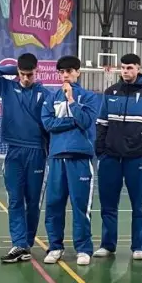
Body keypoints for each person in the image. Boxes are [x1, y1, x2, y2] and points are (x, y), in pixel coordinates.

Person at [0, 53, 49, 263]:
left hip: (37, 152)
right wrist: (13, 70)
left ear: (36, 71)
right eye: (22, 74)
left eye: (30, 74)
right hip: (14, 152)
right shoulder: (8, 87)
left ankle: (27, 242)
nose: (26, 78)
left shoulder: (45, 94)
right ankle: (18, 243)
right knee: (15, 200)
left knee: (33, 201)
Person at [93, 53, 142, 260]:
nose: (125, 71)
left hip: (136, 159)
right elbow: (101, 124)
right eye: (123, 68)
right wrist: (101, 151)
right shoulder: (110, 92)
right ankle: (108, 244)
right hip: (110, 158)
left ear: (138, 68)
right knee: (108, 204)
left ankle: (138, 247)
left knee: (138, 205)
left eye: (130, 67)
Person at [41, 56, 101, 265]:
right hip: (57, 158)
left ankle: (83, 248)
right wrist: (71, 122)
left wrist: (72, 102)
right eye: (62, 72)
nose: (65, 75)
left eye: (69, 71)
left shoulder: (90, 97)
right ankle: (55, 246)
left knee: (80, 206)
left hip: (80, 159)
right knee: (54, 205)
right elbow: (48, 124)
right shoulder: (51, 98)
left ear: (78, 72)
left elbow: (85, 122)